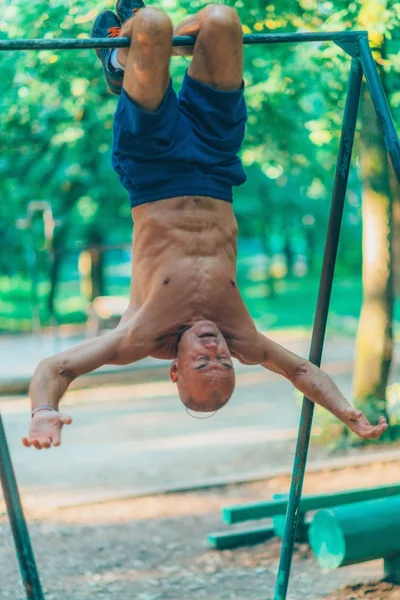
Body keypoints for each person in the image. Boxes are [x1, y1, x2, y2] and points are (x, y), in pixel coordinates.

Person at [23, 1, 388, 450]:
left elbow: (54, 369)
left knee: (152, 22)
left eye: (202, 363)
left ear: (175, 369)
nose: (215, 351)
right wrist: (344, 409)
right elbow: (300, 371)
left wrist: (43, 413)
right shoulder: (243, 336)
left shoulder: (137, 335)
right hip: (218, 166)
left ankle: (123, 66)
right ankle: (136, 58)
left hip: (153, 169)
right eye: (225, 363)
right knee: (221, 20)